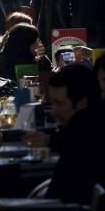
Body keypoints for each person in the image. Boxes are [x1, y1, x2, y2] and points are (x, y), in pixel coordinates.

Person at [45, 65, 105, 204]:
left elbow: (57, 198)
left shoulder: (80, 141)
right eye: (52, 103)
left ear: (82, 103)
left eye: (60, 104)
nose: (54, 111)